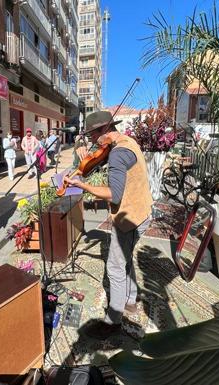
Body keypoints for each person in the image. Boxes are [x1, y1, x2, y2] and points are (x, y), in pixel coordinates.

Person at [63, 110, 153, 339]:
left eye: (93, 136)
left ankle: (113, 320)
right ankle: (131, 301)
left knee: (114, 266)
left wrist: (82, 187)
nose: (93, 142)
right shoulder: (126, 141)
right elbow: (92, 165)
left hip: (130, 217)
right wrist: (81, 155)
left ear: (104, 130)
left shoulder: (117, 154)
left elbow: (113, 195)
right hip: (141, 211)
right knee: (125, 258)